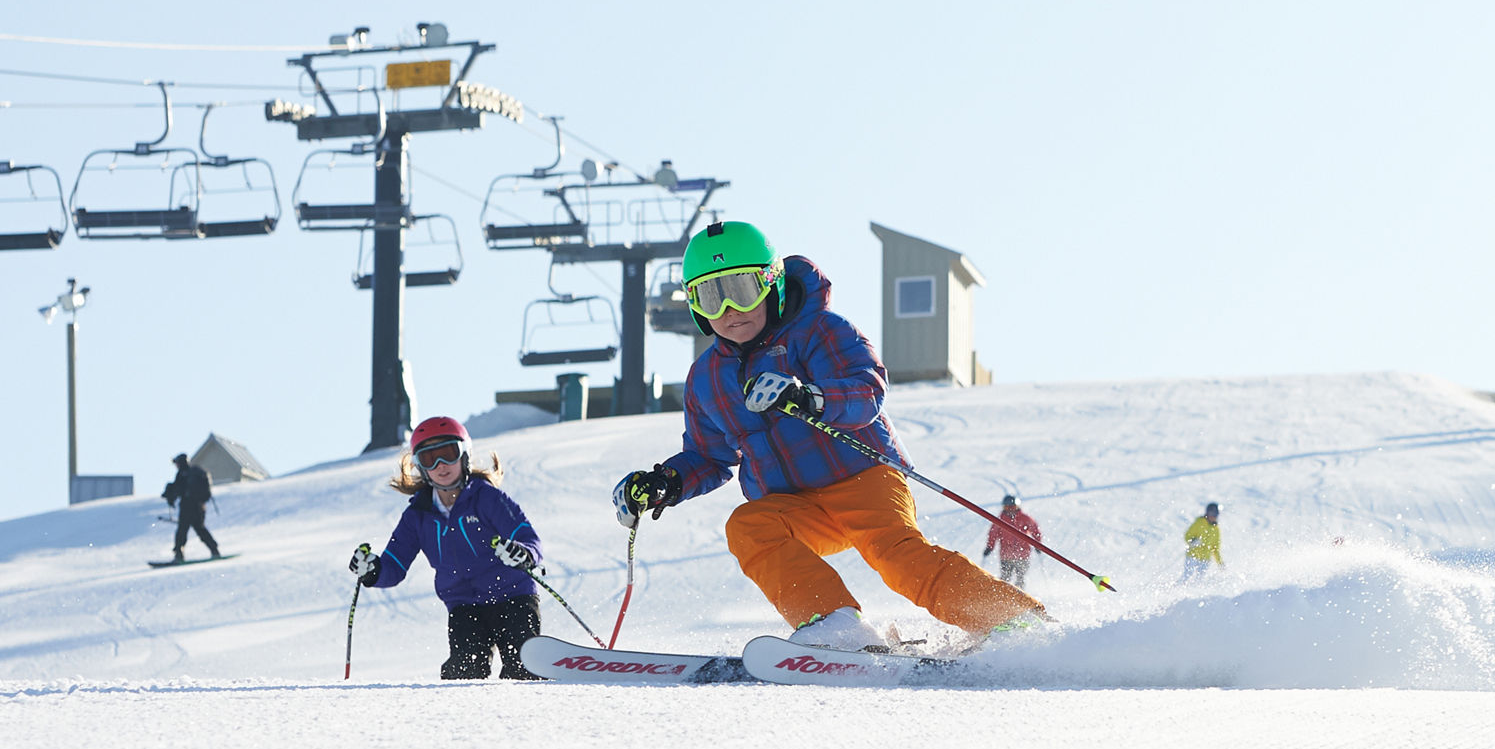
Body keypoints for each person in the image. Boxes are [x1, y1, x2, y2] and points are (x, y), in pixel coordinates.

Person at [611, 221, 1046, 652]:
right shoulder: (706, 377)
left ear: (772, 284)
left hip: (863, 477)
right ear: (694, 305)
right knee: (748, 526)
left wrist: (810, 397)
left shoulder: (820, 330)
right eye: (710, 296)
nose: (728, 310)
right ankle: (835, 624)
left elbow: (867, 391)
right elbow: (709, 456)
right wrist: (666, 482)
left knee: (897, 559)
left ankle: (1013, 620)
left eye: (742, 291)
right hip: (796, 505)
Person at [347, 417, 548, 680]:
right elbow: (394, 566)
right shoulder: (418, 515)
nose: (441, 466)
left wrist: (522, 553)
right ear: (420, 465)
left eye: (448, 454)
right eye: (429, 458)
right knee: (465, 668)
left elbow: (527, 537)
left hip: (512, 596)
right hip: (464, 604)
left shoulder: (486, 498)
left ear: (464, 455)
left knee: (521, 664)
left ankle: (536, 687)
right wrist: (373, 570)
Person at [160, 453, 219, 563]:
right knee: (200, 529)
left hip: (189, 507)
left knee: (183, 530)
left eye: (177, 463)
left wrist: (170, 495)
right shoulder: (191, 472)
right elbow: (179, 488)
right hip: (198, 507)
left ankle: (179, 554)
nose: (176, 466)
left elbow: (179, 489)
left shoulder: (186, 474)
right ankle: (214, 550)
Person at [980, 494, 1044, 589]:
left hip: (1022, 554)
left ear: (1017, 507)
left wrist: (1038, 544)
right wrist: (990, 547)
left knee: (1020, 577)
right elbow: (993, 534)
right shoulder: (1000, 519)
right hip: (1006, 555)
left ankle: (1020, 595)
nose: (1010, 510)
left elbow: (1035, 530)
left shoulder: (1025, 518)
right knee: (1005, 577)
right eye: (1007, 507)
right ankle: (1003, 595)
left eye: (1013, 507)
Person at [1181, 502, 1223, 581]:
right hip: (1193, 555)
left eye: (1215, 514)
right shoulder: (1199, 522)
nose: (1213, 516)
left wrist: (1219, 562)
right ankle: (1177, 588)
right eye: (1211, 513)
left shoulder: (1216, 529)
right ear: (1207, 513)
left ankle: (1193, 592)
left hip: (1205, 559)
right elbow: (1187, 536)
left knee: (1199, 579)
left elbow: (1215, 548)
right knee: (1187, 576)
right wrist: (1193, 541)